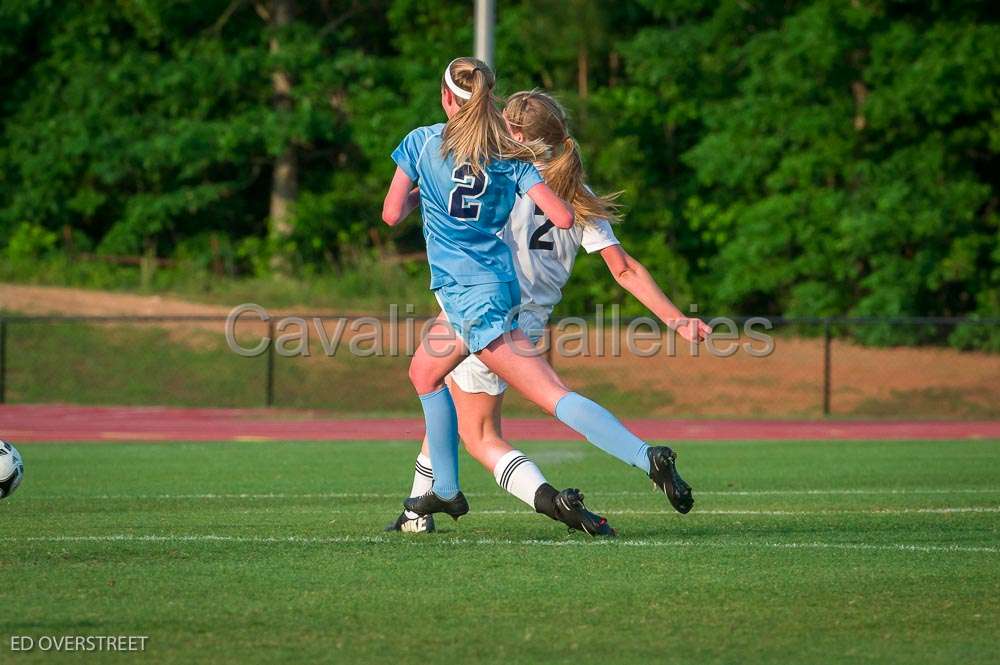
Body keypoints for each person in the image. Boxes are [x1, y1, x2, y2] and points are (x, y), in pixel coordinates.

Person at [381, 59, 707, 537]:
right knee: (433, 380)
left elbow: (436, 206)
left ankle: (556, 501)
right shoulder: (577, 190)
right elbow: (624, 268)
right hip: (525, 313)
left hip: (484, 306)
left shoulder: (499, 171)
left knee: (479, 432)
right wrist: (676, 319)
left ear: (511, 131)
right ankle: (419, 510)